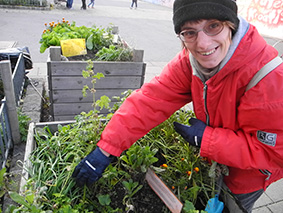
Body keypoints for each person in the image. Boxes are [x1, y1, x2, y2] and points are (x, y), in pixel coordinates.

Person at [72, 0, 283, 212]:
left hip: (248, 177)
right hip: (214, 163)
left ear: (231, 24)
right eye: (189, 32)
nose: (202, 43)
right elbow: (149, 101)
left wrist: (208, 139)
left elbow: (272, 152)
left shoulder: (269, 78)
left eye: (213, 26)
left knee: (232, 207)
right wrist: (107, 148)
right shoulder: (190, 61)